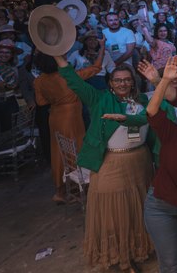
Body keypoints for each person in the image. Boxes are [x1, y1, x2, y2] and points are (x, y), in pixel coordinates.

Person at [53, 54, 157, 272]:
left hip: (140, 162)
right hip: (111, 164)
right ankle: (120, 258)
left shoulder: (142, 101)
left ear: (133, 82)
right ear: (110, 82)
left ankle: (138, 250)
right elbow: (74, 82)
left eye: (127, 79)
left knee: (137, 210)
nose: (122, 83)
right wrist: (59, 57)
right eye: (117, 80)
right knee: (114, 213)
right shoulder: (98, 99)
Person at [123, 56, 177, 273]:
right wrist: (162, 80)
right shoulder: (171, 133)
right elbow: (151, 111)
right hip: (160, 206)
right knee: (171, 263)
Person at [33, 51, 102, 203]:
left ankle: (60, 190)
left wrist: (56, 98)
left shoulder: (38, 80)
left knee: (58, 151)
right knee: (75, 149)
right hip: (71, 116)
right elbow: (97, 67)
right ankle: (79, 187)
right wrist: (102, 47)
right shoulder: (69, 75)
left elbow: (41, 102)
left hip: (55, 116)